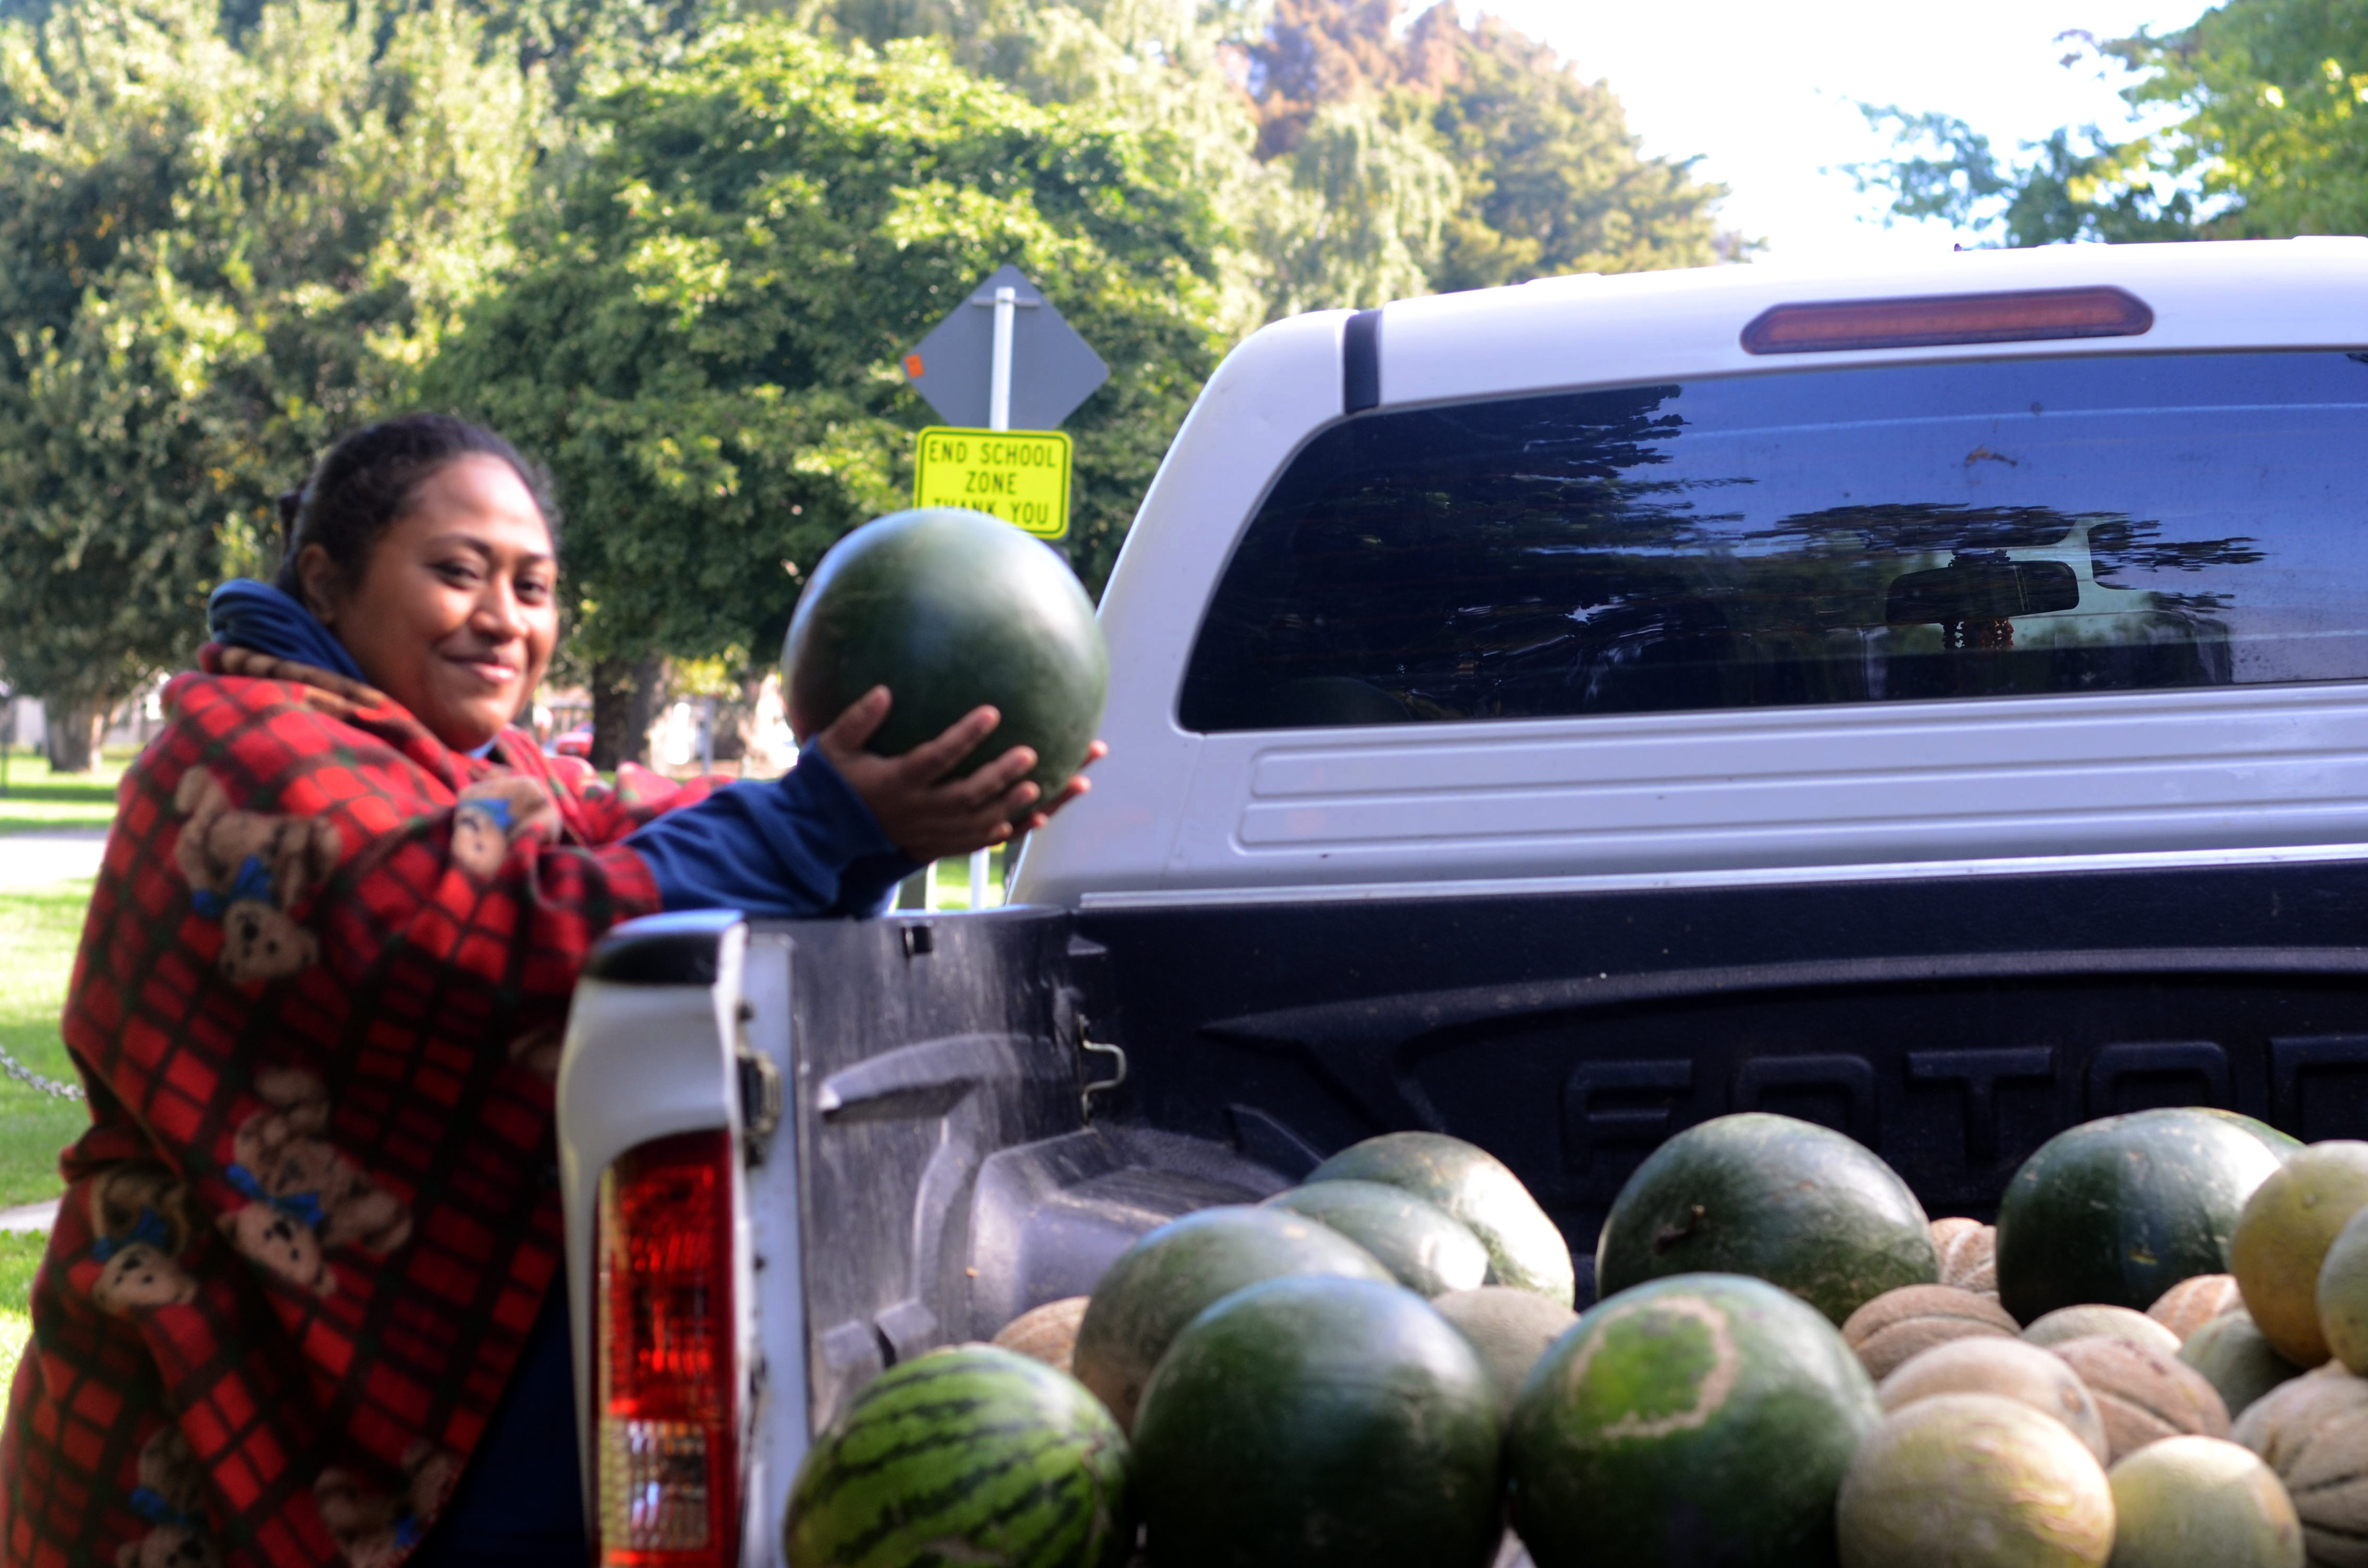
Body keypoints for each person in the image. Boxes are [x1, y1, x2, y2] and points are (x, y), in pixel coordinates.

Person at [0, 413, 1100, 1568]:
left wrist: (884, 823)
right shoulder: (237, 752)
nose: (505, 619)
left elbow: (627, 825)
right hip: (203, 1425)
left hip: (425, 1438)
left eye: (534, 586)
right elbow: (487, 920)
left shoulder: (474, 763)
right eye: (456, 572)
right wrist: (824, 820)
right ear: (325, 581)